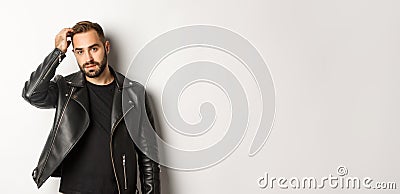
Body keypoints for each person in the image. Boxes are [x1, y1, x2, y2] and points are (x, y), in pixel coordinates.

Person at [22, 21, 160, 194]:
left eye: (94, 49)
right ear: (74, 53)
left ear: (106, 47)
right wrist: (58, 52)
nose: (88, 59)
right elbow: (32, 94)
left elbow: (148, 157)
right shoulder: (66, 89)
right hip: (74, 190)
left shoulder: (133, 94)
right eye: (80, 52)